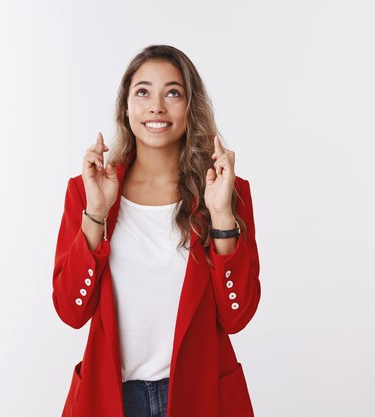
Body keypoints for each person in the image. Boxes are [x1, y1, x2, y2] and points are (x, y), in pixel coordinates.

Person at [52, 44, 261, 417]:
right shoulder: (87, 191)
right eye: (143, 91)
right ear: (126, 107)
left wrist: (221, 216)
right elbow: (71, 311)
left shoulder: (227, 190)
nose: (157, 107)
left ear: (189, 107)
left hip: (199, 395)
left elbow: (237, 316)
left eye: (173, 93)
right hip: (113, 398)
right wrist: (96, 212)